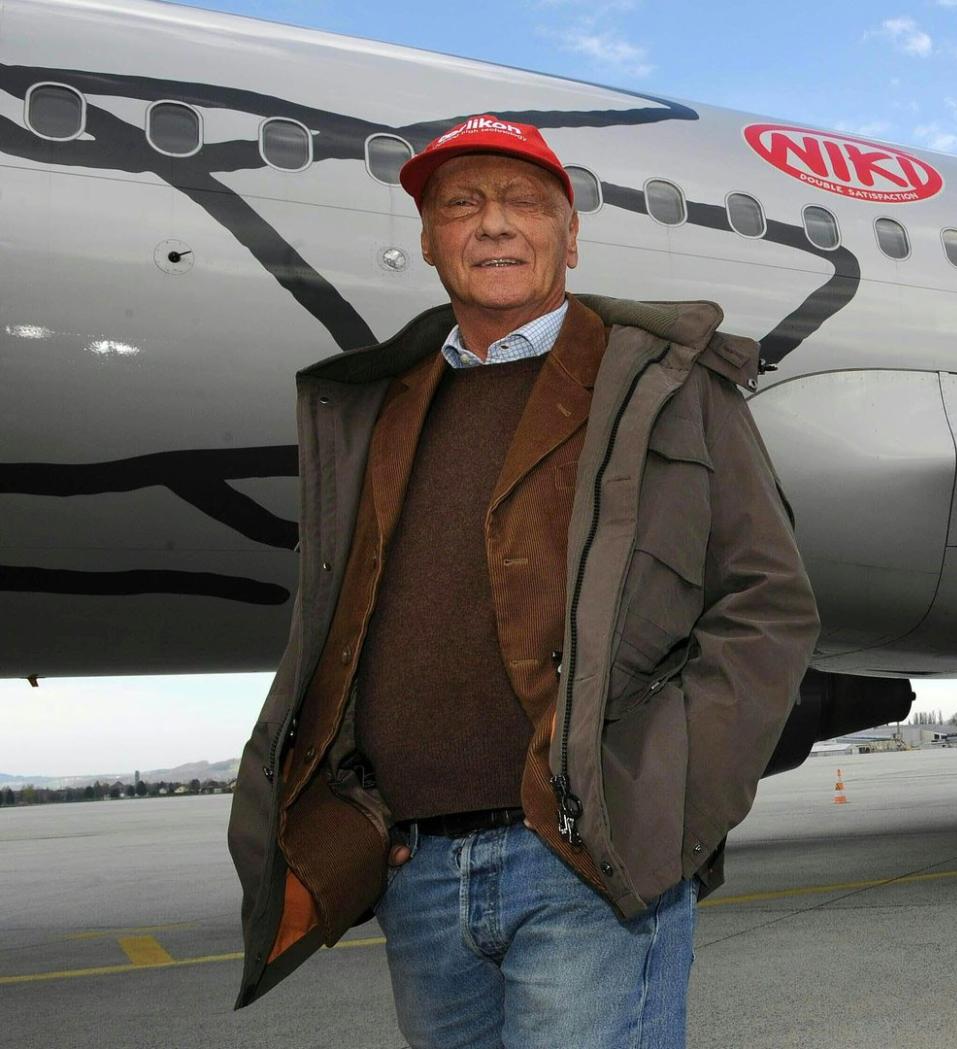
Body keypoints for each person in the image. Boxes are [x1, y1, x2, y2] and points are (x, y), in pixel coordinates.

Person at [227, 115, 820, 1048]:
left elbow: (768, 604)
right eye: (461, 204)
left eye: (524, 203)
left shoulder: (667, 386)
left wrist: (659, 799)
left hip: (584, 861)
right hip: (416, 867)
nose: (494, 223)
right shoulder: (378, 407)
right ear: (429, 241)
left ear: (570, 236)